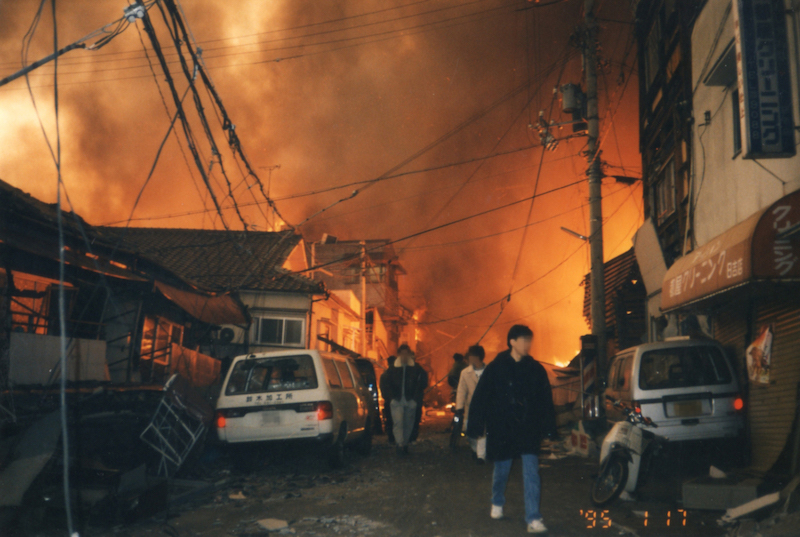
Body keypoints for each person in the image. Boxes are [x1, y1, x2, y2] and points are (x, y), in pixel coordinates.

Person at [466, 325, 557, 534]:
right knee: (502, 470)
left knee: (532, 471)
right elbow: (481, 397)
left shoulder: (535, 369)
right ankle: (497, 501)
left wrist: (549, 428)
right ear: (512, 341)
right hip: (503, 428)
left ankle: (533, 518)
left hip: (527, 427)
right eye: (524, 340)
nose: (528, 344)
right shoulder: (496, 367)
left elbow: (545, 399)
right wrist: (476, 425)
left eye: (529, 340)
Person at [382, 344, 428, 455]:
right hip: (397, 401)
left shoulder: (416, 368)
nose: (404, 356)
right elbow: (385, 383)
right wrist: (391, 398)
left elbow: (422, 383)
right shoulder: (393, 369)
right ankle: (400, 444)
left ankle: (404, 443)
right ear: (399, 354)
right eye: (402, 354)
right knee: (398, 422)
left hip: (410, 401)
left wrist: (415, 399)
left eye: (406, 353)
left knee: (408, 423)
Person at [456, 344, 487, 463]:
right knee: (469, 431)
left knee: (483, 431)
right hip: (470, 408)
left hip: (485, 407)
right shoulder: (465, 373)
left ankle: (480, 456)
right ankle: (475, 450)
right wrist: (459, 407)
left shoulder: (489, 371)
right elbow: (461, 390)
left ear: (478, 357)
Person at [379, 356, 397, 444]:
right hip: (398, 402)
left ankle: (391, 437)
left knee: (389, 420)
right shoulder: (399, 375)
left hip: (389, 402)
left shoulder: (384, 375)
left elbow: (382, 388)